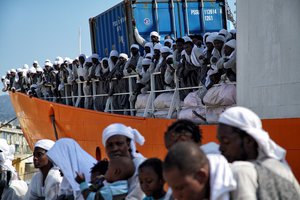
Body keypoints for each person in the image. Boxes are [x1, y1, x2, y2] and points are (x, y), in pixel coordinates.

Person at [217, 106, 300, 199]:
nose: (220, 148)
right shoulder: (283, 169)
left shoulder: (240, 172)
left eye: (226, 141)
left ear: (248, 140)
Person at [163, 142, 236, 200]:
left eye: (180, 188)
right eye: (172, 189)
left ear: (200, 176)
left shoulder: (238, 178)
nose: (176, 196)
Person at [102, 123, 146, 200]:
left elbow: (136, 197)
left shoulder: (142, 166)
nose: (115, 148)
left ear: (128, 144)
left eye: (119, 144)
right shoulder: (109, 168)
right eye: (110, 145)